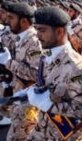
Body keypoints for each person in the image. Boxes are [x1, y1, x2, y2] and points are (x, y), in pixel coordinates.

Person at [25, 6, 82, 141]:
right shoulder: (46, 55)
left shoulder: (77, 68)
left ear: (60, 32)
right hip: (42, 129)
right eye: (36, 29)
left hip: (66, 136)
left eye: (42, 30)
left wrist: (49, 105)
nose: (37, 35)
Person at [0, 3, 42, 141]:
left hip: (29, 100)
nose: (7, 20)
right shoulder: (19, 36)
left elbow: (37, 74)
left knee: (16, 137)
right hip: (18, 94)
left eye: (11, 17)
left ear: (23, 21)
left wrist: (9, 62)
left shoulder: (34, 41)